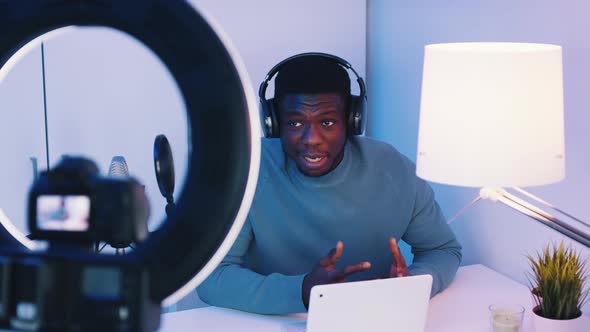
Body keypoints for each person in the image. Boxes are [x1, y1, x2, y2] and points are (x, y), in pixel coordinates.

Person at [197, 54, 462, 314]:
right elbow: (211, 279)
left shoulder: (394, 169)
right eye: (295, 122)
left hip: (372, 319)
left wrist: (414, 284)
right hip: (278, 321)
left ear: (351, 121)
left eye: (327, 122)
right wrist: (303, 291)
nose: (311, 138)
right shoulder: (247, 172)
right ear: (274, 124)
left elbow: (442, 249)